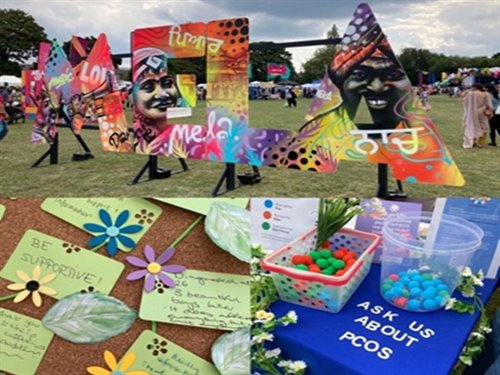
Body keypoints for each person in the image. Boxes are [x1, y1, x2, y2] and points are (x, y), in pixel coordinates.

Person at [132, 47, 180, 152]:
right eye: (148, 87)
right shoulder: (139, 137)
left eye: (167, 83)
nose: (163, 94)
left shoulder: (186, 136)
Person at [462, 83, 493, 148]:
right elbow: (489, 104)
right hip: (482, 111)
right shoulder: (485, 94)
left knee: (472, 126)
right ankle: (481, 143)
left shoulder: (470, 94)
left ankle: (473, 141)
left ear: (475, 87)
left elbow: (465, 102)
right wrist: (490, 111)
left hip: (472, 112)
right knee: (484, 127)